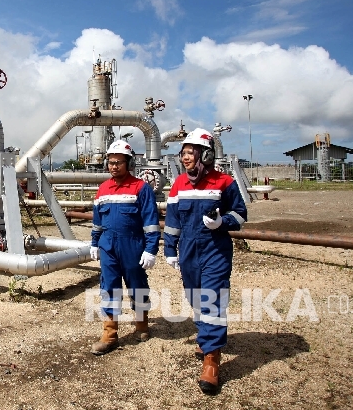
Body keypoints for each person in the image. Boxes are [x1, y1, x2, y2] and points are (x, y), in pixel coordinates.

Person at [163, 128, 247, 394]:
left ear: (206, 155)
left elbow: (241, 214)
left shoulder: (224, 182)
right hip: (188, 252)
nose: (185, 158)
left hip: (215, 250)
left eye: (190, 153)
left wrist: (223, 222)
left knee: (213, 298)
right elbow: (173, 222)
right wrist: (168, 250)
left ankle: (212, 358)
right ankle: (206, 335)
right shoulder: (179, 185)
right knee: (196, 298)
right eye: (184, 153)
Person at [90, 140, 161, 355]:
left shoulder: (141, 188)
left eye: (119, 162)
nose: (114, 166)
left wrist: (151, 249)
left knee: (137, 284)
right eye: (111, 162)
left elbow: (150, 221)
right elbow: (97, 221)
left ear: (128, 163)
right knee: (109, 286)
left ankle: (141, 324)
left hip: (133, 245)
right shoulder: (103, 189)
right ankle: (109, 334)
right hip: (108, 245)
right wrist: (94, 242)